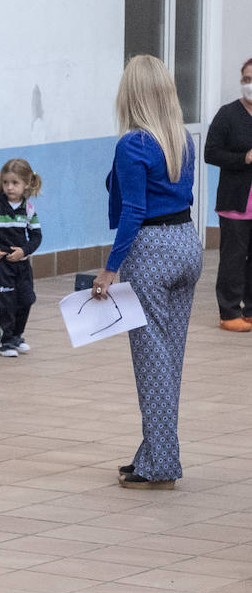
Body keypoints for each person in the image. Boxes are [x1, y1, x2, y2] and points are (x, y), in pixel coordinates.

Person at [92, 54, 199, 489]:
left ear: (130, 94)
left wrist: (109, 269)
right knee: (168, 360)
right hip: (187, 243)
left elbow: (133, 211)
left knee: (152, 363)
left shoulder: (134, 143)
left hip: (152, 250)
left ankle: (160, 465)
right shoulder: (182, 138)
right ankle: (152, 452)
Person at [0, 159, 43, 357]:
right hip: (0, 265)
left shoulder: (28, 211)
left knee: (26, 299)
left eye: (15, 183)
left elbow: (37, 236)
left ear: (26, 184)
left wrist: (25, 251)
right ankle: (5, 341)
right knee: (7, 302)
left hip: (21, 265)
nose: (10, 187)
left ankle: (17, 336)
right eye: (6, 183)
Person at [204, 56, 252, 331]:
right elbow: (211, 152)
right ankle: (230, 312)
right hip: (235, 203)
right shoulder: (228, 114)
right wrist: (242, 158)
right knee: (233, 258)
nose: (250, 84)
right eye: (246, 79)